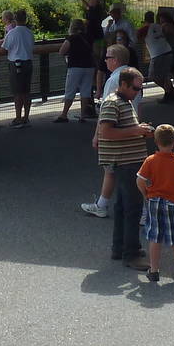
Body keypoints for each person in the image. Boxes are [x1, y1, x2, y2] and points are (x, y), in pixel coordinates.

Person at [97, 68, 153, 271]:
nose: (138, 92)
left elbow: (117, 130)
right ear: (123, 84)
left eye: (140, 88)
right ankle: (131, 253)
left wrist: (139, 130)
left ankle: (119, 247)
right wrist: (137, 130)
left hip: (127, 161)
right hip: (125, 162)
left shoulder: (124, 101)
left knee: (122, 206)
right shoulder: (113, 103)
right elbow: (106, 132)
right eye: (135, 88)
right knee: (133, 208)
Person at [136, 123, 174, 282]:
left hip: (154, 202)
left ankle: (154, 270)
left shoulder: (150, 160)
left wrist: (146, 194)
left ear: (156, 141)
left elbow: (140, 181)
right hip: (173, 203)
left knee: (155, 238)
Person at [80, 43, 133, 217]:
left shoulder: (113, 80)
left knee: (111, 169)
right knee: (127, 169)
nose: (105, 60)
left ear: (115, 60)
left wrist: (97, 135)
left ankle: (104, 205)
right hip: (130, 126)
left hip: (114, 129)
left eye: (108, 57)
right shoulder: (134, 76)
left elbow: (106, 110)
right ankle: (105, 203)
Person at [0, 8, 35, 128]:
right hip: (28, 63)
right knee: (26, 92)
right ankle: (26, 117)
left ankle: (18, 117)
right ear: (25, 19)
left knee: (17, 92)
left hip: (16, 63)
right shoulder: (29, 32)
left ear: (15, 19)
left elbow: (3, 49)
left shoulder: (12, 33)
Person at [57, 18, 95, 123]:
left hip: (75, 66)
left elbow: (62, 51)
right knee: (85, 91)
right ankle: (83, 115)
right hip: (89, 66)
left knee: (70, 90)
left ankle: (64, 114)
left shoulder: (71, 38)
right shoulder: (89, 37)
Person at [144, 9, 174, 101]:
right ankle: (171, 92)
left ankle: (170, 92)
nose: (162, 23)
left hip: (167, 52)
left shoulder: (165, 27)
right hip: (170, 52)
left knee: (160, 75)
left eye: (163, 21)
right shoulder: (160, 27)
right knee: (165, 75)